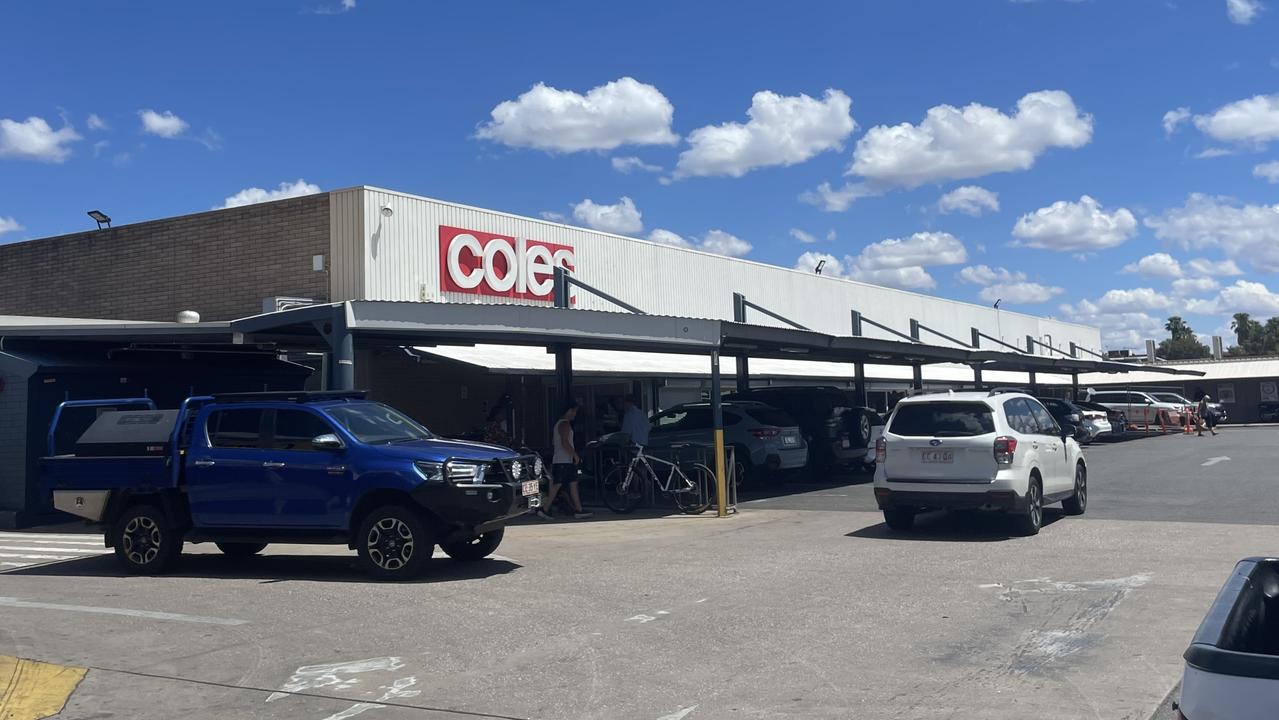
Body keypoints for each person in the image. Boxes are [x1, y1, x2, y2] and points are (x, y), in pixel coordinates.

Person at [538, 402, 592, 520]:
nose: (574, 414)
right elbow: (564, 442)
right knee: (558, 485)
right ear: (568, 411)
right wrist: (575, 455)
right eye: (573, 411)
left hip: (563, 460)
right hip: (563, 460)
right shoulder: (564, 424)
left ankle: (579, 509)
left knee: (573, 484)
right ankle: (545, 509)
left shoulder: (559, 424)